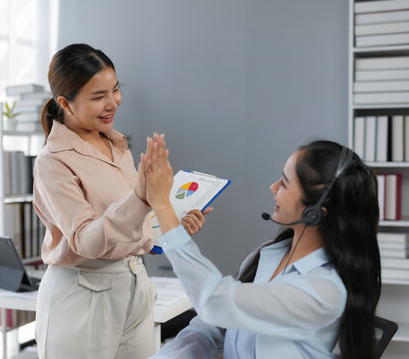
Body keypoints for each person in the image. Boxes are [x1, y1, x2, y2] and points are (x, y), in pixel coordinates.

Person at [32, 43, 203, 359]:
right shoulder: (53, 162)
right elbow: (87, 241)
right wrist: (141, 196)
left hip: (134, 286)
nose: (113, 103)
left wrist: (169, 229)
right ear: (65, 104)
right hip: (82, 295)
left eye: (115, 90)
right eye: (98, 97)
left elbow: (126, 228)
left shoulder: (116, 143)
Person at [142, 138, 381, 359]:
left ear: (315, 212)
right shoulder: (269, 254)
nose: (273, 187)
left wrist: (163, 207)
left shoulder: (323, 291)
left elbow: (217, 301)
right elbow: (214, 325)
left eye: (285, 184)